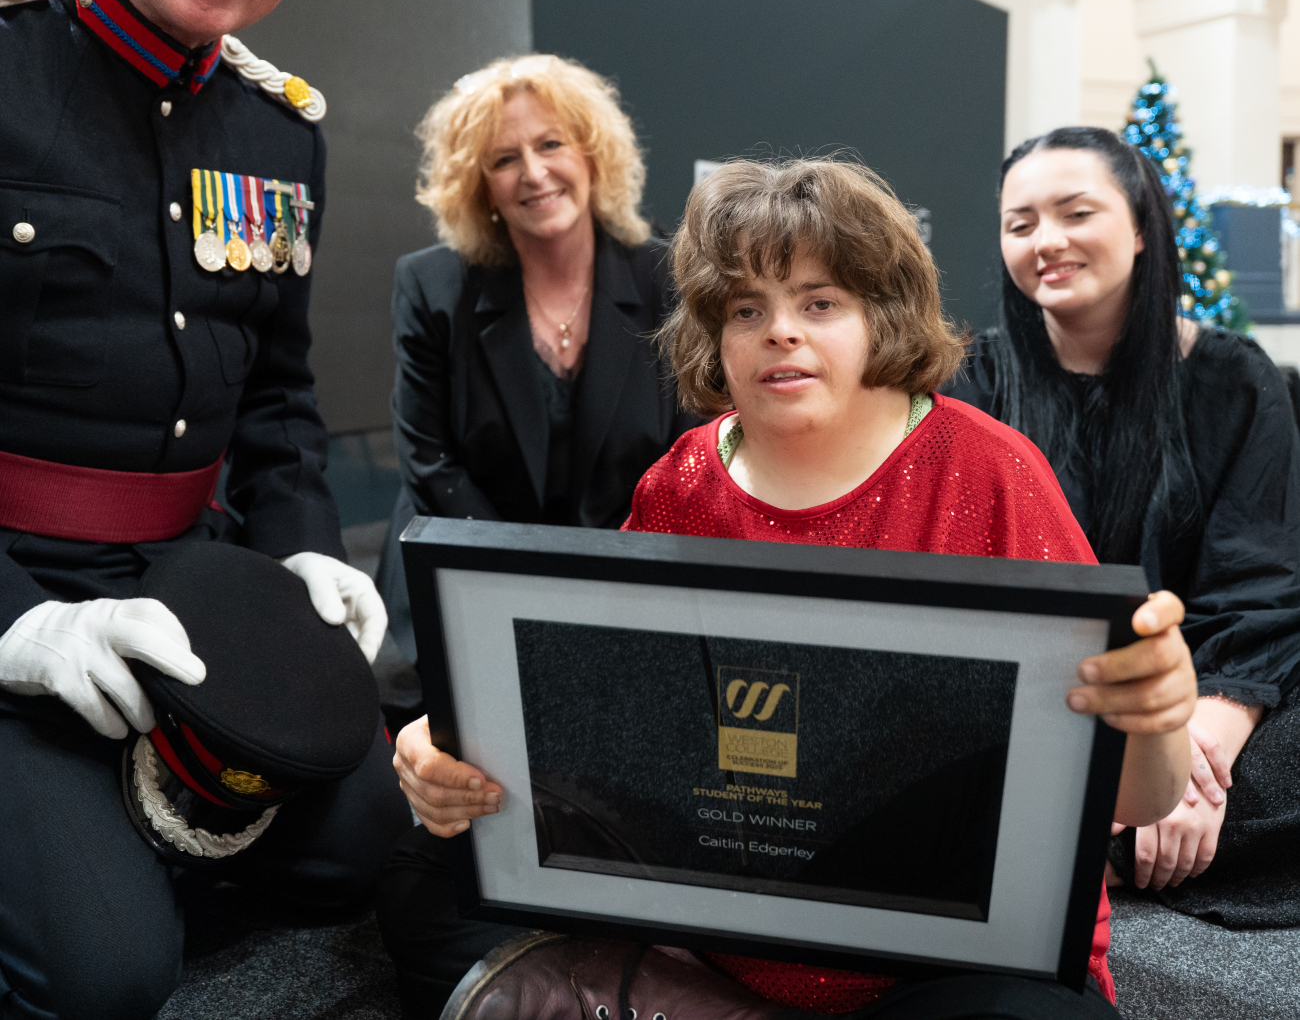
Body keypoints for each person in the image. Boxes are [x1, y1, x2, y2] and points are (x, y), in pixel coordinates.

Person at [376, 158, 1200, 1020]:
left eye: (820, 302)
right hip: (716, 919)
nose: (780, 332)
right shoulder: (683, 479)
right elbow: (594, 711)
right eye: (745, 309)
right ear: (712, 335)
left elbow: (1137, 800)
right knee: (421, 873)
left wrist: (1159, 714)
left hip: (937, 953)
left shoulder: (992, 474)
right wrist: (456, 743)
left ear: (882, 316)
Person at [0, 0, 410, 1019]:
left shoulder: (278, 132)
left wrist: (299, 555)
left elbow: (279, 403)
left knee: (366, 847)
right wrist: (20, 625)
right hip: (16, 580)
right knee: (107, 976)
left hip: (184, 573)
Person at [944, 127, 1300, 924]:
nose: (1048, 242)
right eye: (1021, 223)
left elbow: (1260, 586)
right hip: (1037, 705)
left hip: (1203, 689)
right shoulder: (975, 382)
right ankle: (1103, 836)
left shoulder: (1236, 378)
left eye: (1075, 213)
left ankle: (1072, 847)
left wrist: (1192, 748)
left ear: (1141, 230)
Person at [373, 54, 696, 665]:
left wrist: (603, 588)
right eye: (503, 159)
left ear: (592, 154)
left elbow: (690, 456)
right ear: (479, 186)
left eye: (552, 144)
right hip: (469, 576)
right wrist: (526, 589)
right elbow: (430, 463)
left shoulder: (665, 278)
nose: (534, 172)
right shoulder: (432, 287)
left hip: (630, 583)